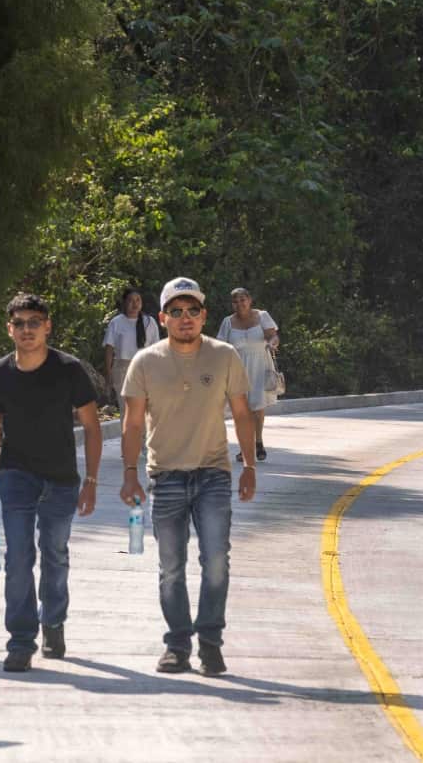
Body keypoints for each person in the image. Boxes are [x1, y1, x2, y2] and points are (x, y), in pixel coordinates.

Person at [119, 277, 258, 677]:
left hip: (213, 474)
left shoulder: (224, 356)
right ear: (163, 318)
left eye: (192, 310)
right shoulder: (145, 362)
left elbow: (242, 413)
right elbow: (132, 424)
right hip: (165, 477)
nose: (185, 318)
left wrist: (249, 465)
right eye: (176, 311)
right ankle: (177, 646)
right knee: (171, 567)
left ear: (204, 315)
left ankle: (210, 644)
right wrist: (129, 474)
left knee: (216, 561)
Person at [0, 294, 103, 673]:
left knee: (54, 554)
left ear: (47, 326)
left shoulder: (69, 370)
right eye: (19, 323)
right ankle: (20, 641)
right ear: (9, 329)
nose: (27, 329)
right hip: (17, 477)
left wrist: (91, 480)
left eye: (34, 322)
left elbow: (92, 427)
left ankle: (54, 621)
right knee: (18, 558)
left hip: (61, 479)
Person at [215, 287, 280, 462]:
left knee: (258, 408)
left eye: (242, 300)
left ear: (249, 300)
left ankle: (258, 442)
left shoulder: (262, 316)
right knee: (241, 411)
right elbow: (220, 347)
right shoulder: (228, 322)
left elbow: (273, 336)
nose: (239, 304)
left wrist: (272, 343)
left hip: (260, 366)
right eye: (235, 301)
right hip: (237, 368)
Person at [102, 287, 160, 407]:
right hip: (122, 368)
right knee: (125, 407)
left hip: (144, 368)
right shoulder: (116, 322)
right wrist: (108, 372)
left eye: (138, 300)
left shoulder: (150, 322)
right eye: (131, 300)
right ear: (124, 302)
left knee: (144, 407)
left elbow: (156, 349)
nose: (135, 304)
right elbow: (109, 349)